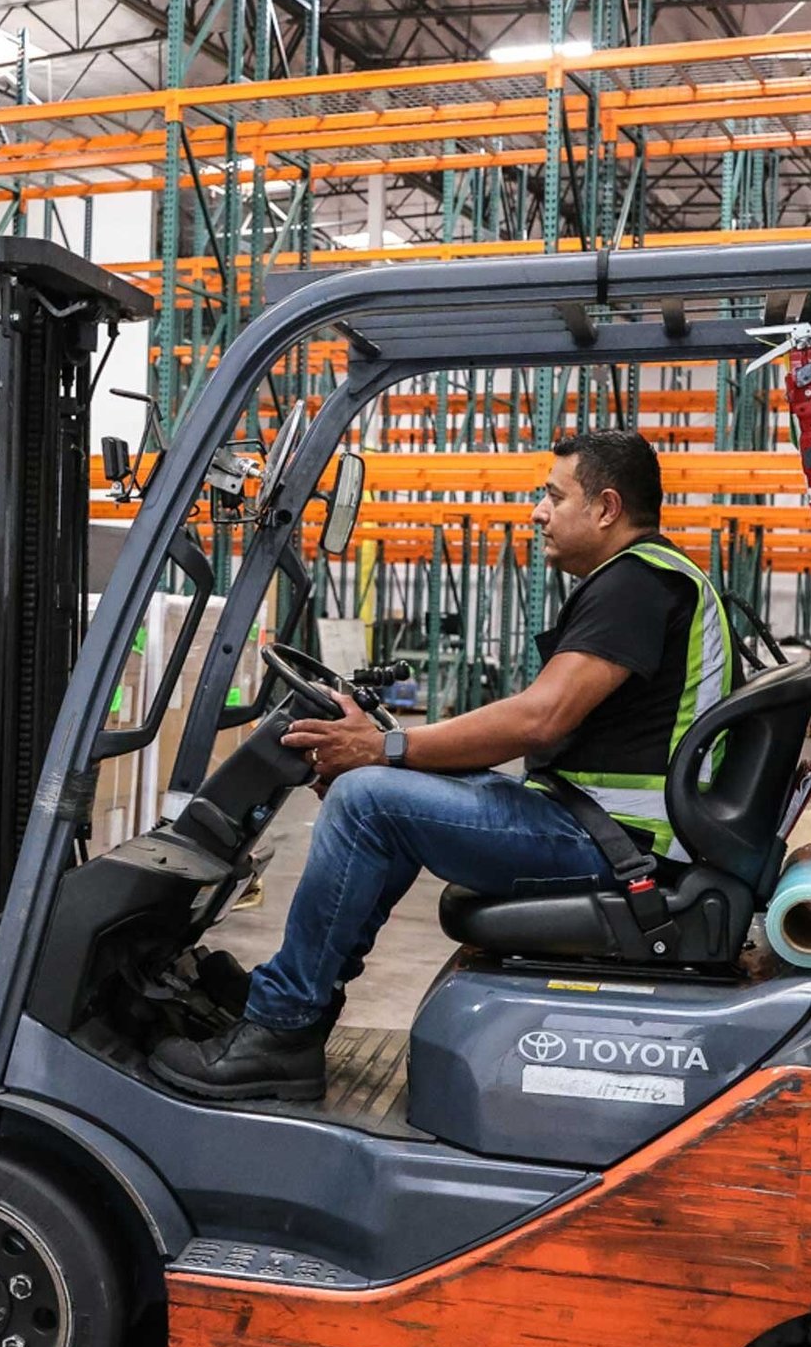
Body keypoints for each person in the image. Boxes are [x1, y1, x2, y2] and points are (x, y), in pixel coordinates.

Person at [150, 428, 734, 1104]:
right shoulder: (645, 579)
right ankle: (293, 997)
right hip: (598, 825)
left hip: (623, 847)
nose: (538, 512)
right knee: (388, 790)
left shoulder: (637, 583)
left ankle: (281, 1029)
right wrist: (398, 751)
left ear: (605, 508)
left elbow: (538, 718)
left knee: (369, 798)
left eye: (553, 495)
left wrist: (386, 748)